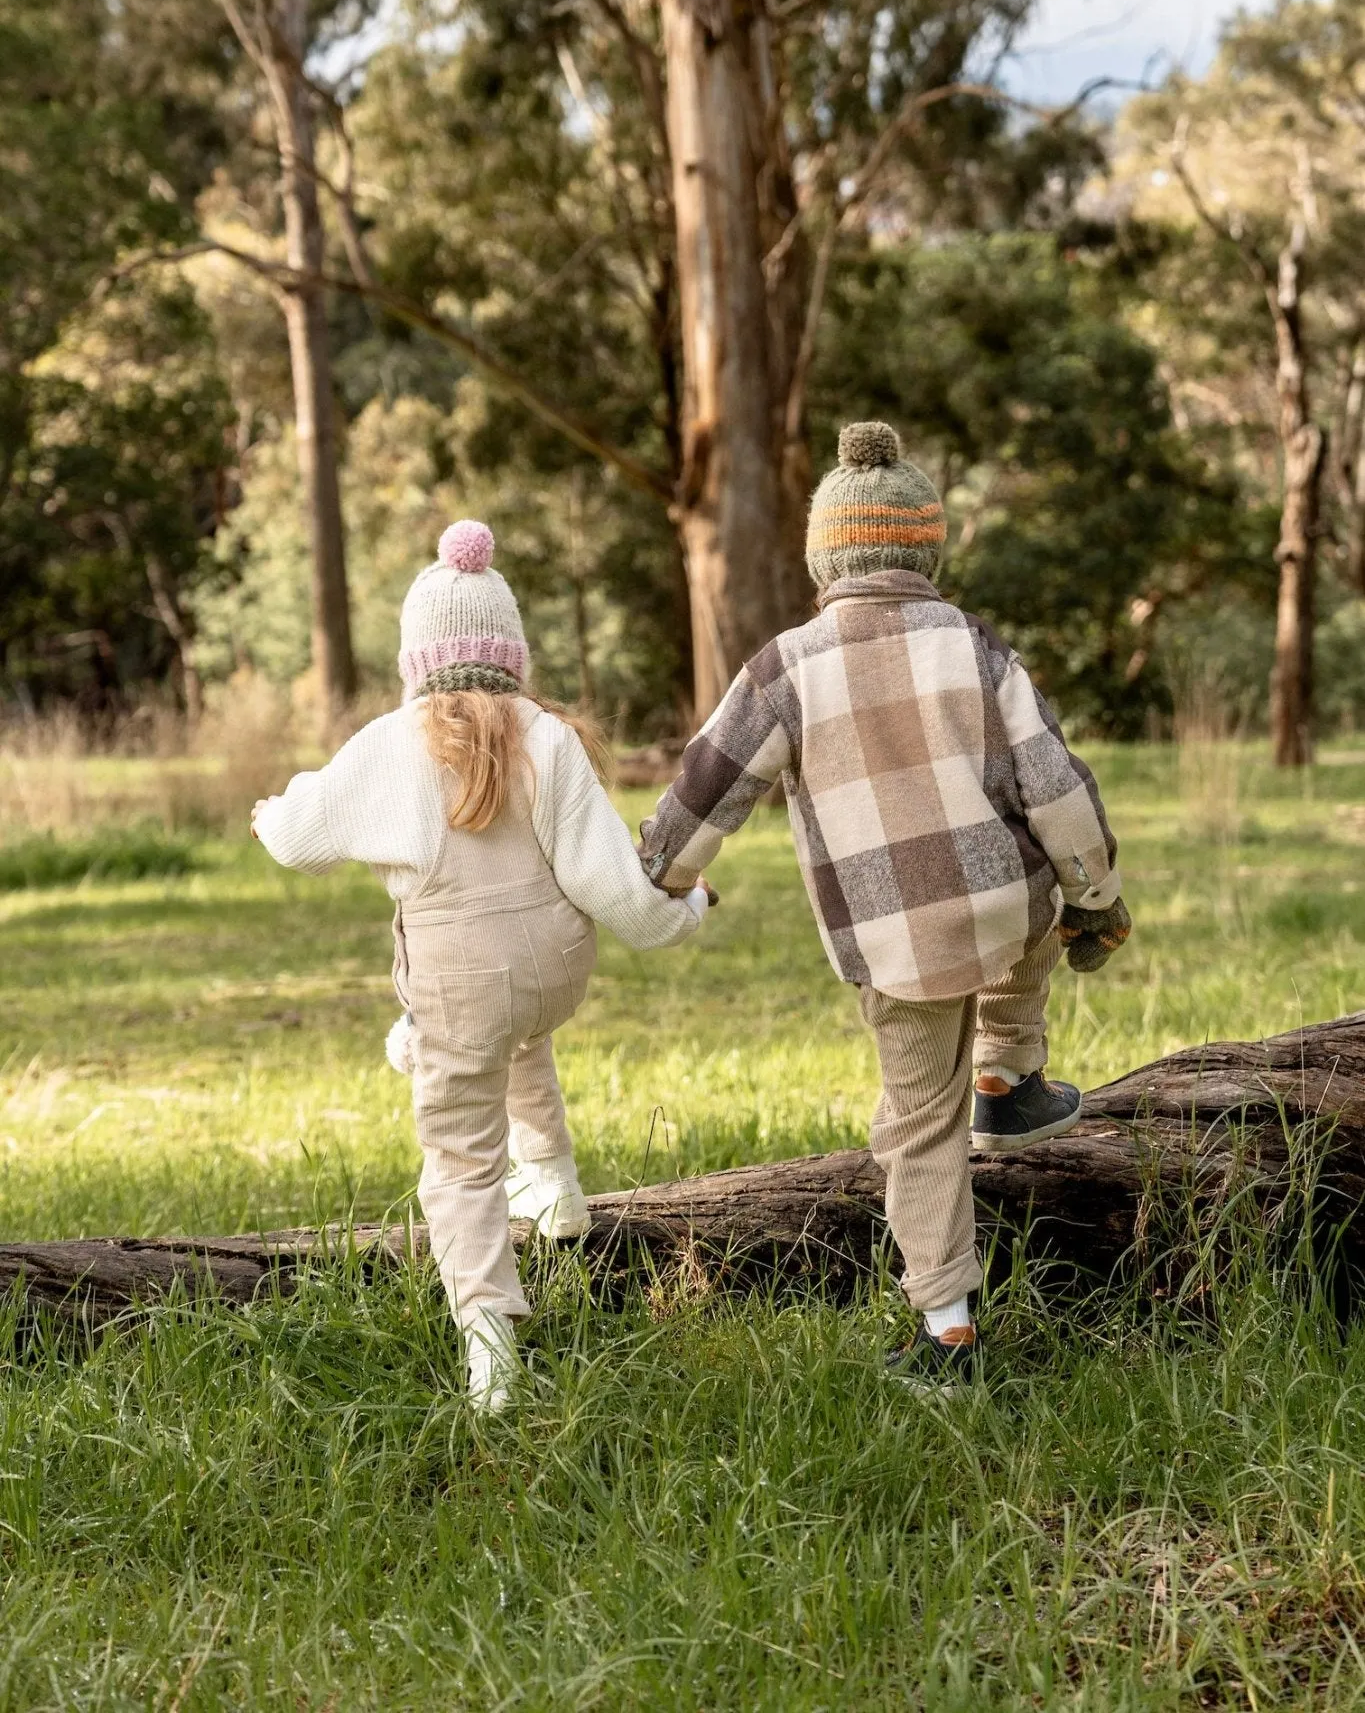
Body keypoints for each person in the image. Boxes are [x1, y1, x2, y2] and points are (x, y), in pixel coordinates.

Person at [637, 423, 1130, 1387]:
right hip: (1005, 910)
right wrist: (1095, 898)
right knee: (1027, 936)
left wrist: (658, 874)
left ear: (826, 557)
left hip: (891, 941)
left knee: (916, 1120)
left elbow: (708, 785)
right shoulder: (977, 651)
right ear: (925, 550)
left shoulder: (784, 667)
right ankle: (1008, 1073)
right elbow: (1058, 793)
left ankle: (946, 1323)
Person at [253, 519, 708, 1413]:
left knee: (459, 1157)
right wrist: (683, 912)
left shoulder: (391, 742)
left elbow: (300, 839)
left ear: (415, 656)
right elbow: (611, 883)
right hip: (553, 971)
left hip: (459, 980)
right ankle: (558, 1188)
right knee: (519, 1036)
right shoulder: (548, 737)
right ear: (512, 654)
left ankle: (492, 1348)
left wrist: (274, 812)